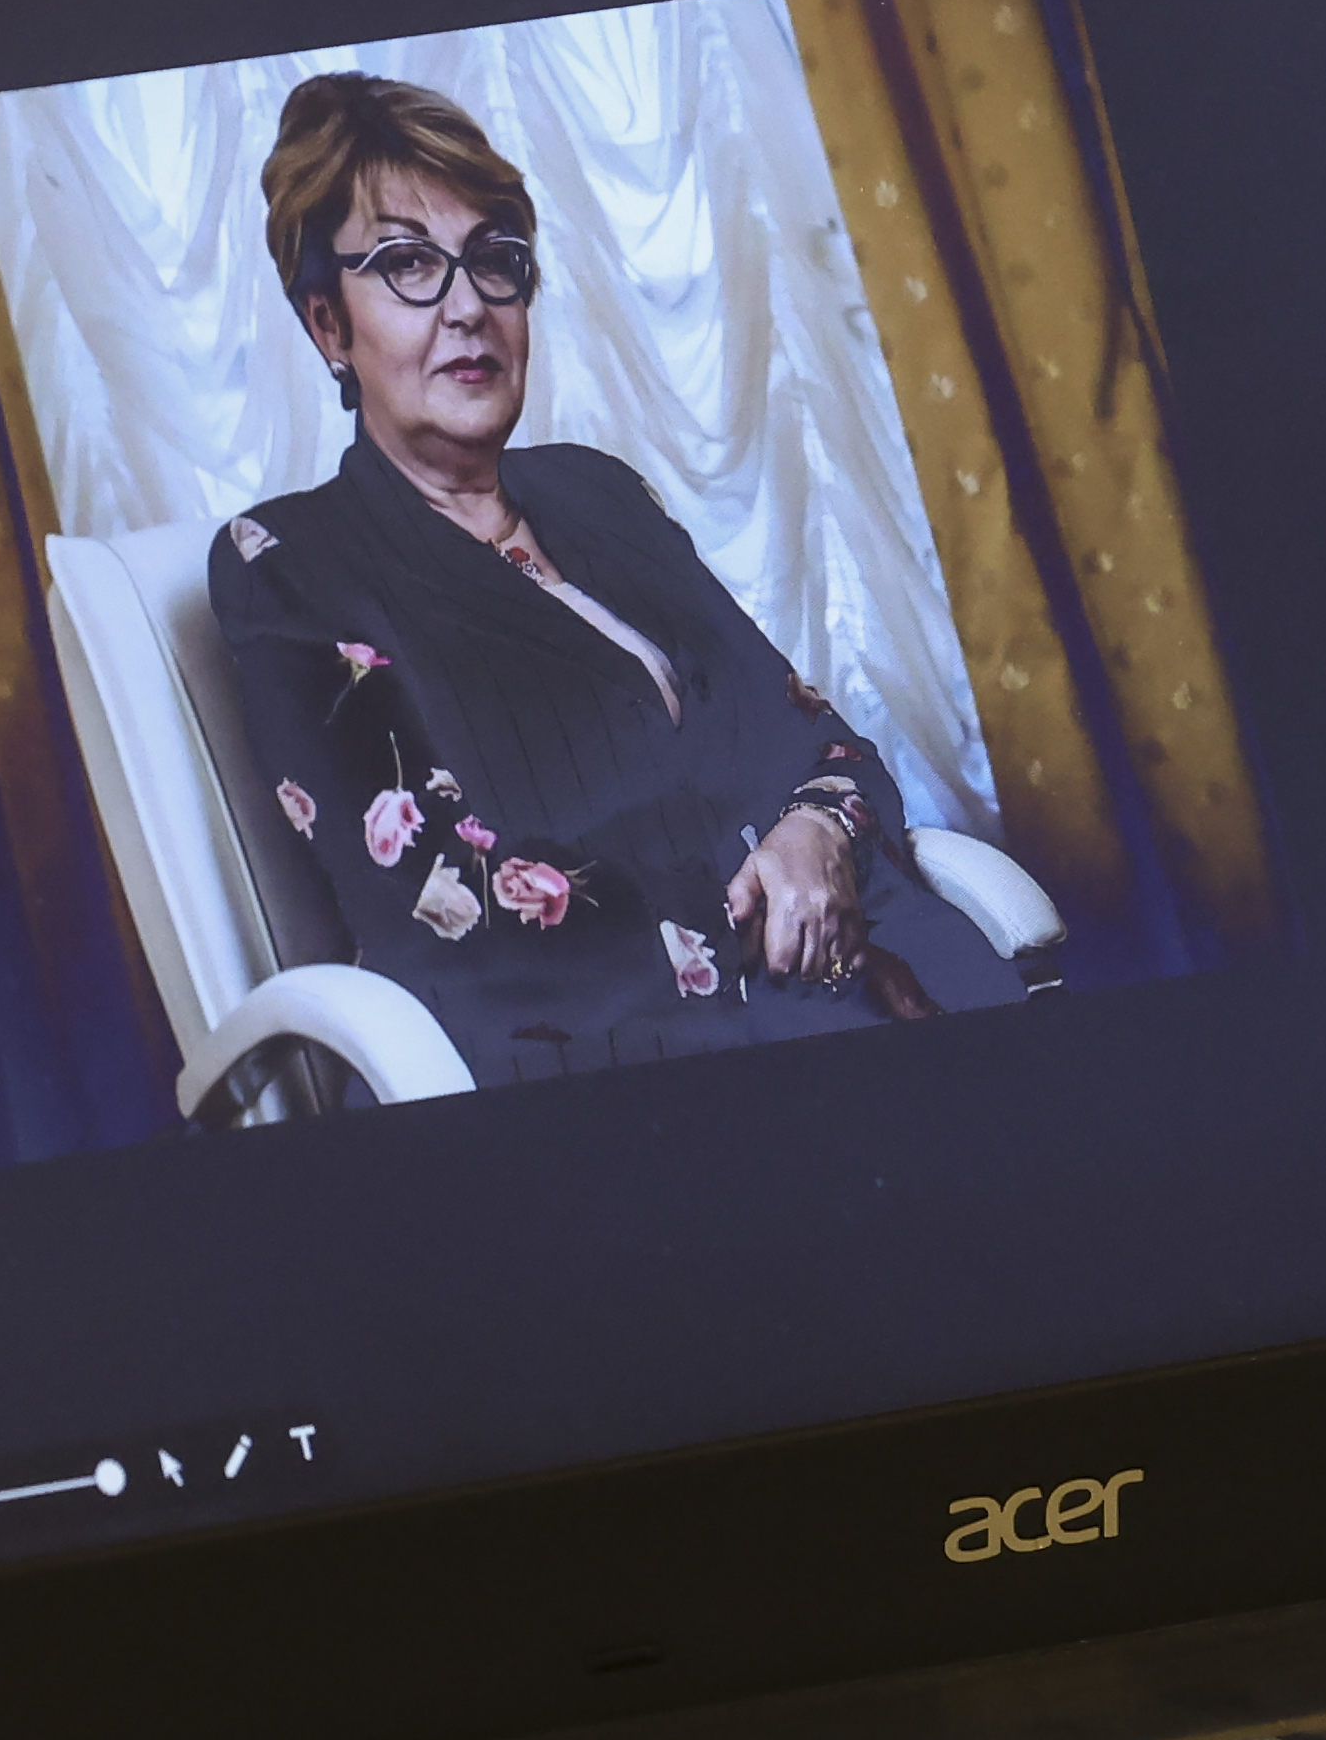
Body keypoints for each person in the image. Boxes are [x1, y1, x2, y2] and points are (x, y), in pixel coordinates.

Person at [206, 71, 1029, 1092]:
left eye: (495, 260)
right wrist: (768, 905)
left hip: (891, 969)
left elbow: (819, 740)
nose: (468, 306)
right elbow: (441, 904)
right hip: (643, 1054)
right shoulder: (289, 561)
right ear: (329, 324)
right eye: (408, 264)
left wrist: (817, 829)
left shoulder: (596, 492)